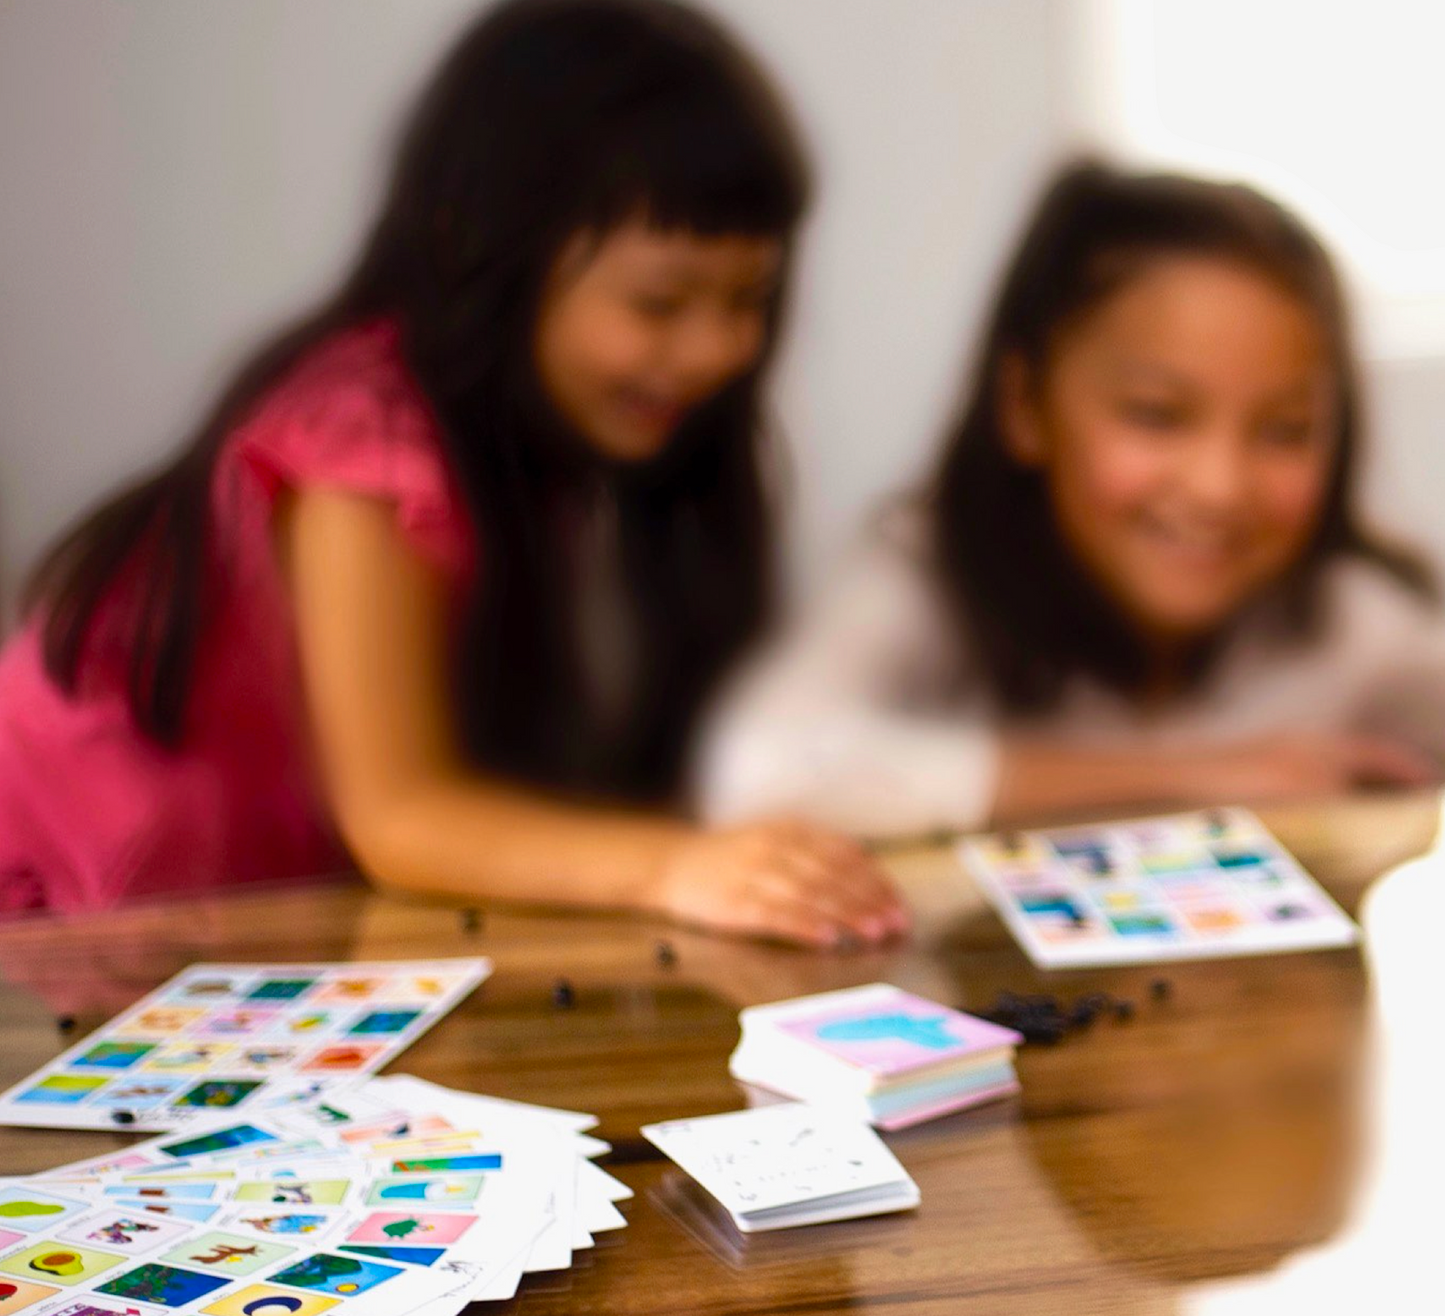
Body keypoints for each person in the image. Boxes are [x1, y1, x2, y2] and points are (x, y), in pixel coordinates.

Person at [0, 0, 905, 948]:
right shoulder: (363, 435)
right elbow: (401, 816)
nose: (717, 347)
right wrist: (676, 865)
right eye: (661, 300)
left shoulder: (546, 452)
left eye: (747, 299)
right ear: (494, 255)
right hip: (68, 921)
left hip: (235, 932)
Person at [703, 161, 1445, 837]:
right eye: (1156, 415)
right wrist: (1205, 774)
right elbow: (756, 768)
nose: (1219, 486)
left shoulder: (1349, 622)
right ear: (1025, 405)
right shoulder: (932, 574)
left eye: (1285, 430)